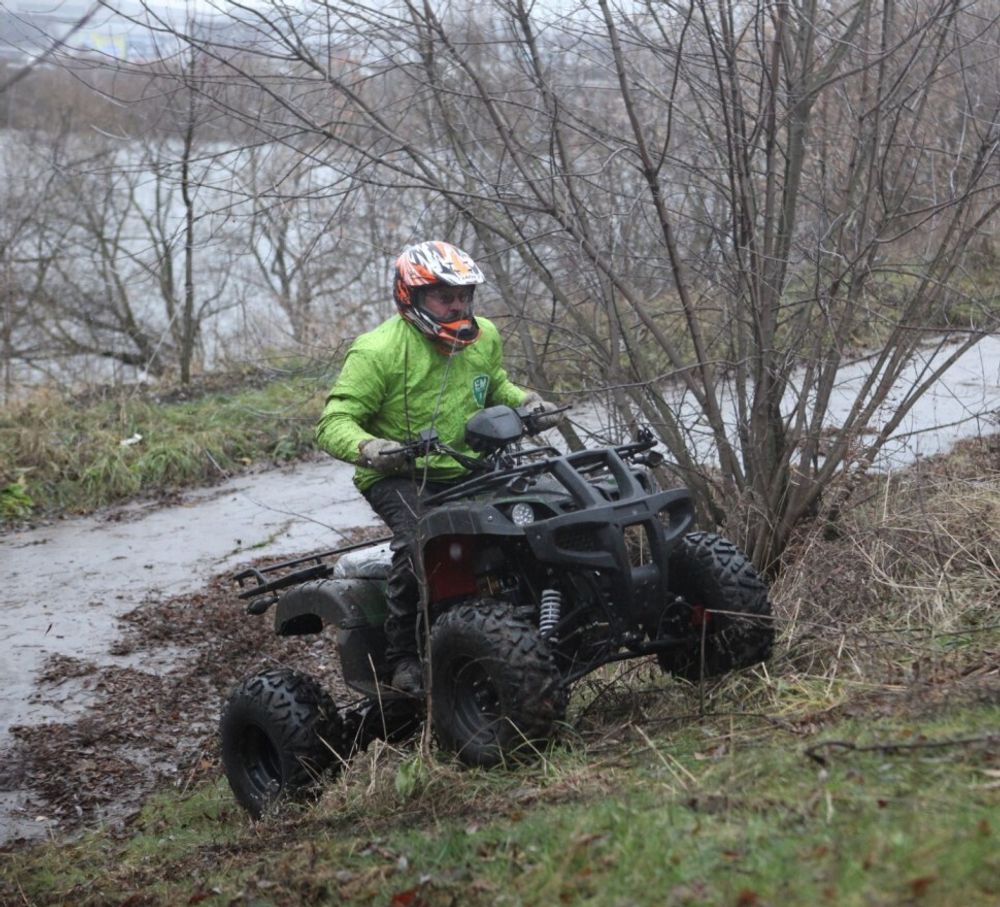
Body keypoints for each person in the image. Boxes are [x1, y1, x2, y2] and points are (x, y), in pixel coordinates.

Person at [315, 240, 562, 694]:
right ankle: (404, 656)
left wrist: (527, 402)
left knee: (543, 511)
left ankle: (539, 617)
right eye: (444, 297)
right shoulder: (377, 351)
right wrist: (370, 448)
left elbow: (495, 387)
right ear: (411, 296)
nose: (457, 307)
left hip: (468, 463)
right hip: (398, 474)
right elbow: (333, 423)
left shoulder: (483, 335)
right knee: (421, 544)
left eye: (463, 296)